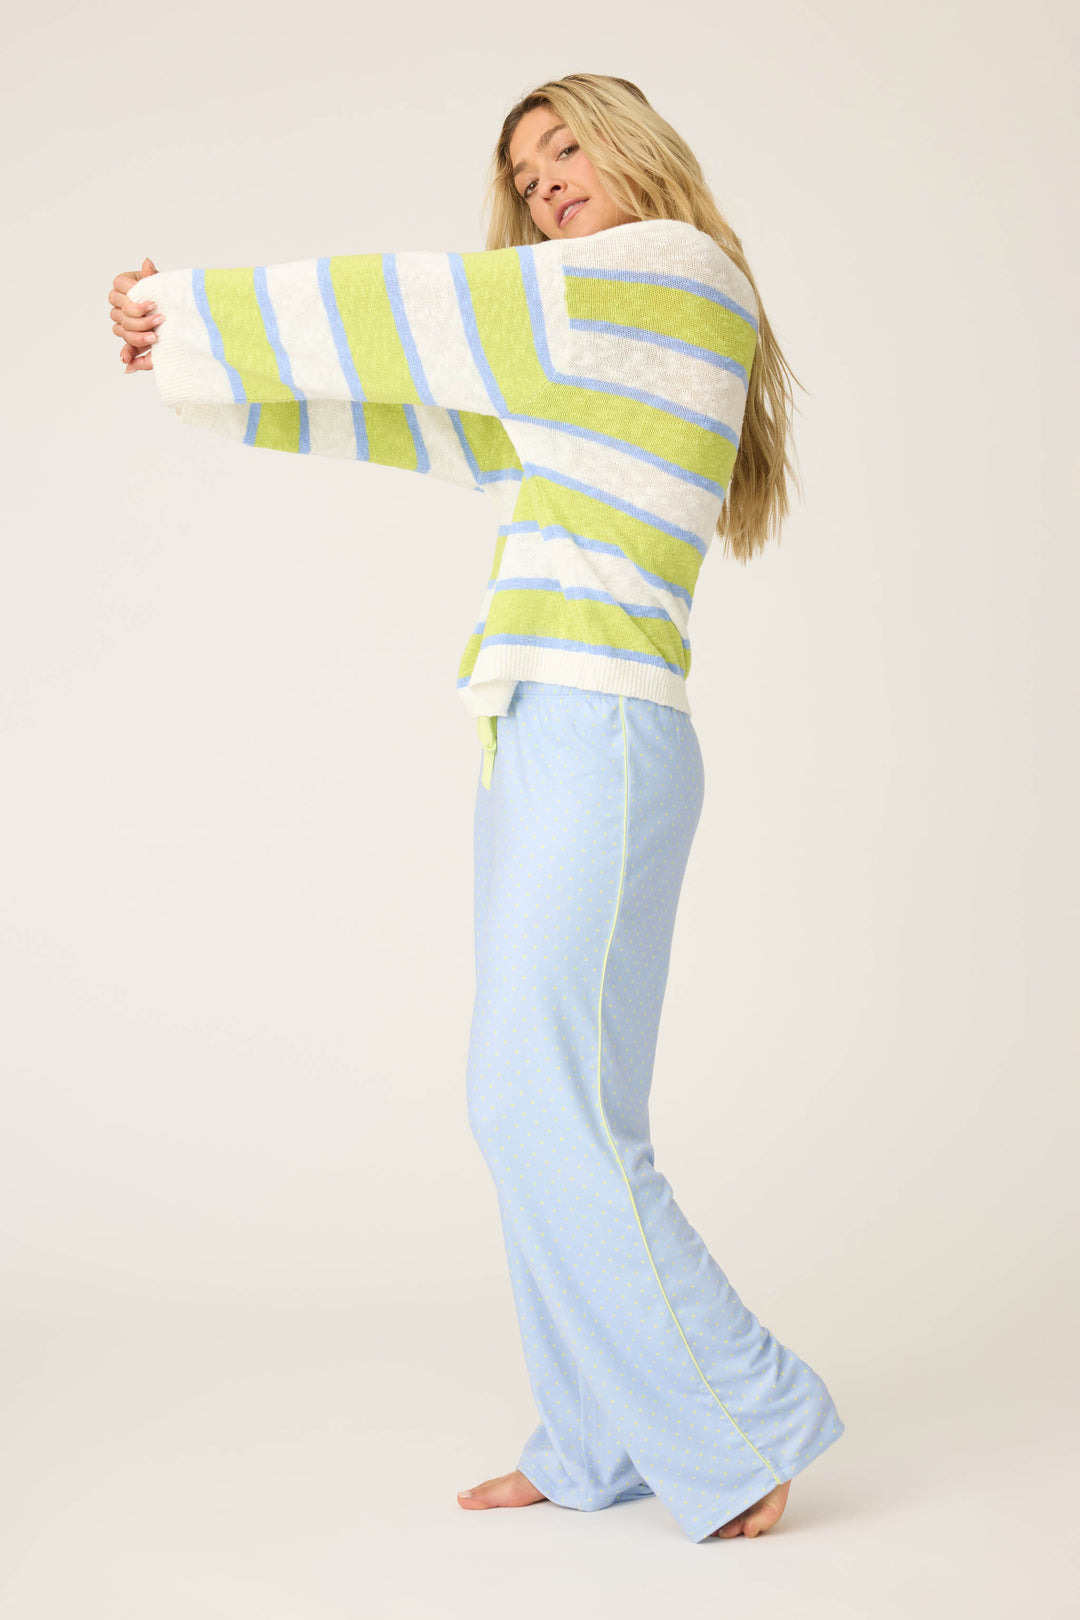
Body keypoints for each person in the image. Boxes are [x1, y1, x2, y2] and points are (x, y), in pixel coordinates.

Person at [108, 72, 845, 1544]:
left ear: (638, 153)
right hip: (545, 730)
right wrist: (212, 378)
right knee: (561, 1109)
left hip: (601, 736)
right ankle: (599, 1441)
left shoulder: (671, 276)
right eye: (526, 168)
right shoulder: (596, 340)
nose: (549, 179)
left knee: (528, 1097)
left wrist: (189, 308)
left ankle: (740, 1422)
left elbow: (425, 307)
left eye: (569, 145)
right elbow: (435, 421)